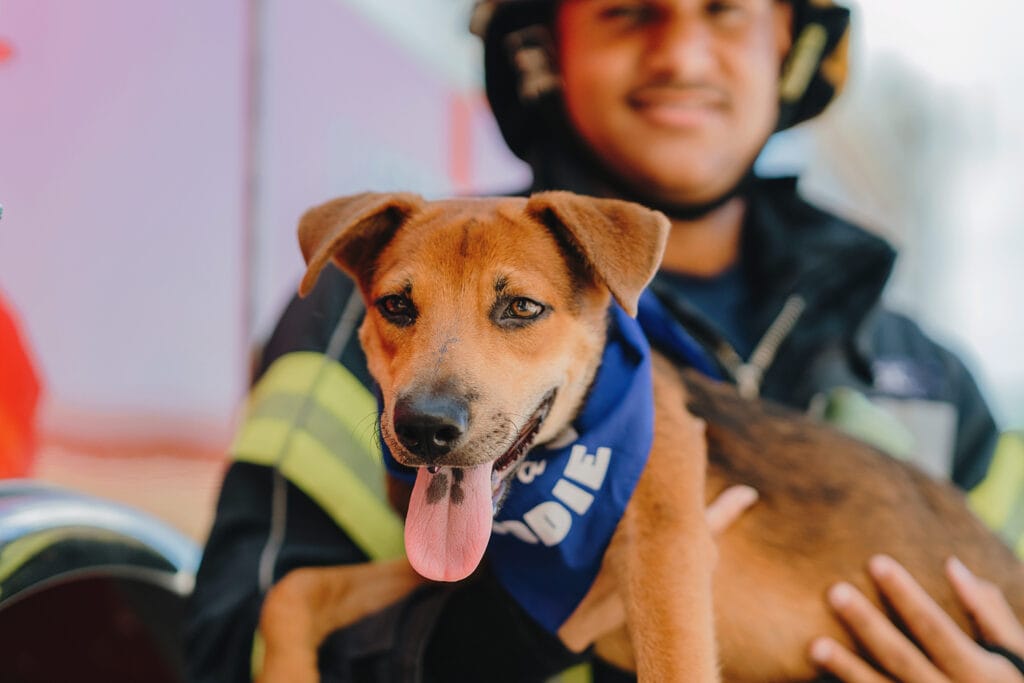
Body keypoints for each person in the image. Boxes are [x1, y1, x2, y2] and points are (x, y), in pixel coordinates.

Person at [185, 0, 1007, 681]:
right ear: (549, 43)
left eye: (724, 13)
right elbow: (226, 652)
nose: (682, 55)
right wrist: (506, 630)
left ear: (787, 40)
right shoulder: (359, 303)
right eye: (630, 13)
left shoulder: (930, 380)